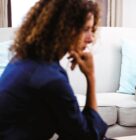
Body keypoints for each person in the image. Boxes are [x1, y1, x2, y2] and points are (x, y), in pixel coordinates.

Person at [0, 0, 108, 139]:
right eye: (85, 29)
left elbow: (74, 129)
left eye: (91, 30)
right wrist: (91, 77)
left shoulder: (23, 59)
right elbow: (88, 136)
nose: (91, 38)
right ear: (64, 29)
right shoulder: (50, 78)